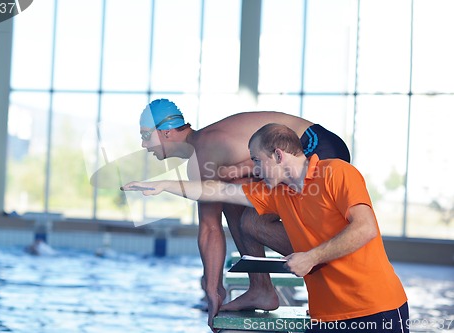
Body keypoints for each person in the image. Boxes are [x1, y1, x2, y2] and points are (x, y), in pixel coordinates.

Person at [122, 123, 409, 333]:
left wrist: (311, 257)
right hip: (325, 318)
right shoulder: (277, 194)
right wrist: (164, 186)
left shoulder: (337, 172)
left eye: (258, 161)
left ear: (279, 156)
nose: (255, 169)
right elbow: (215, 191)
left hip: (377, 311)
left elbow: (365, 228)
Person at [138, 99, 351, 327]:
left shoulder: (204, 150)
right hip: (309, 146)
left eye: (146, 135)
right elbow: (215, 217)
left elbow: (210, 230)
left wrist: (213, 290)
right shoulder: (203, 150)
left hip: (317, 145)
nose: (143, 144)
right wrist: (213, 286)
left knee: (245, 207)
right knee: (245, 213)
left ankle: (335, 262)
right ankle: (261, 288)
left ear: (166, 132)